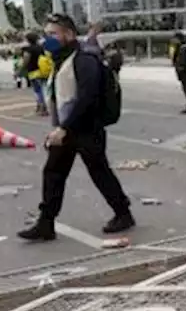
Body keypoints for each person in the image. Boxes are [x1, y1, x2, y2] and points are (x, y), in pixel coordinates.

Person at [18, 14, 134, 241]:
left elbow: (88, 98)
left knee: (99, 172)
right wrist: (60, 127)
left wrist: (65, 128)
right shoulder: (63, 58)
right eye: (46, 34)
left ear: (68, 34)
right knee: (53, 172)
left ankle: (123, 213)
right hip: (69, 129)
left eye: (53, 34)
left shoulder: (84, 60)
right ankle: (46, 223)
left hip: (86, 129)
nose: (47, 39)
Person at [23, 33, 50, 116]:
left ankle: (42, 108)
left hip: (33, 72)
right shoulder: (41, 47)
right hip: (43, 70)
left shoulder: (28, 49)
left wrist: (22, 68)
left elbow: (26, 60)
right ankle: (40, 107)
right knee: (42, 89)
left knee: (38, 91)